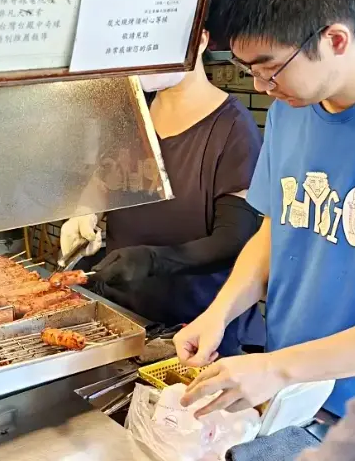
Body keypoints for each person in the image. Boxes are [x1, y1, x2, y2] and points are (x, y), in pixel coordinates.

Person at [175, 0, 355, 420]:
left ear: (335, 39)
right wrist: (219, 313)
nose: (263, 87)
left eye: (270, 68)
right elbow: (275, 231)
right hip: (289, 395)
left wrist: (279, 368)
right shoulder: (292, 108)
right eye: (250, 70)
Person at [60, 30, 265, 357]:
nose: (142, 61)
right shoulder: (133, 114)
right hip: (123, 318)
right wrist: (85, 211)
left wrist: (154, 260)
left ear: (200, 40)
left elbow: (233, 241)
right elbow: (104, 179)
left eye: (153, 44)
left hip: (197, 330)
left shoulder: (232, 128)